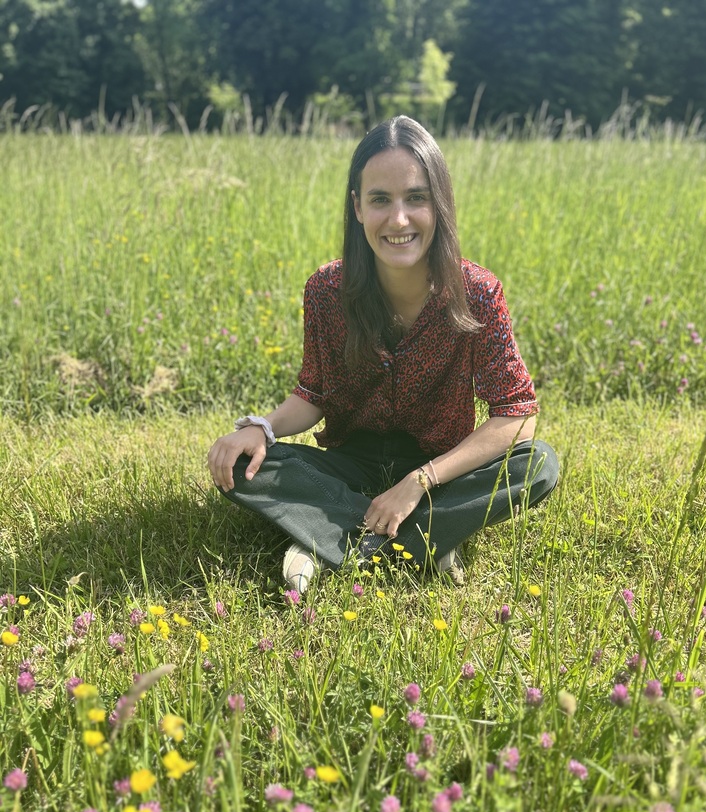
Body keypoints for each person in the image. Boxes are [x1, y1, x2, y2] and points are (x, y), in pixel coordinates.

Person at [207, 116, 558, 594]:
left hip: (440, 470)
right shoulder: (327, 290)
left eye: (416, 198)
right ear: (357, 207)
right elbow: (313, 393)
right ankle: (425, 541)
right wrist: (259, 428)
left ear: (439, 204)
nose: (399, 219)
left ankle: (327, 536)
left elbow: (518, 415)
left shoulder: (477, 292)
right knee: (246, 469)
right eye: (380, 200)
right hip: (351, 462)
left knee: (537, 464)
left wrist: (420, 480)